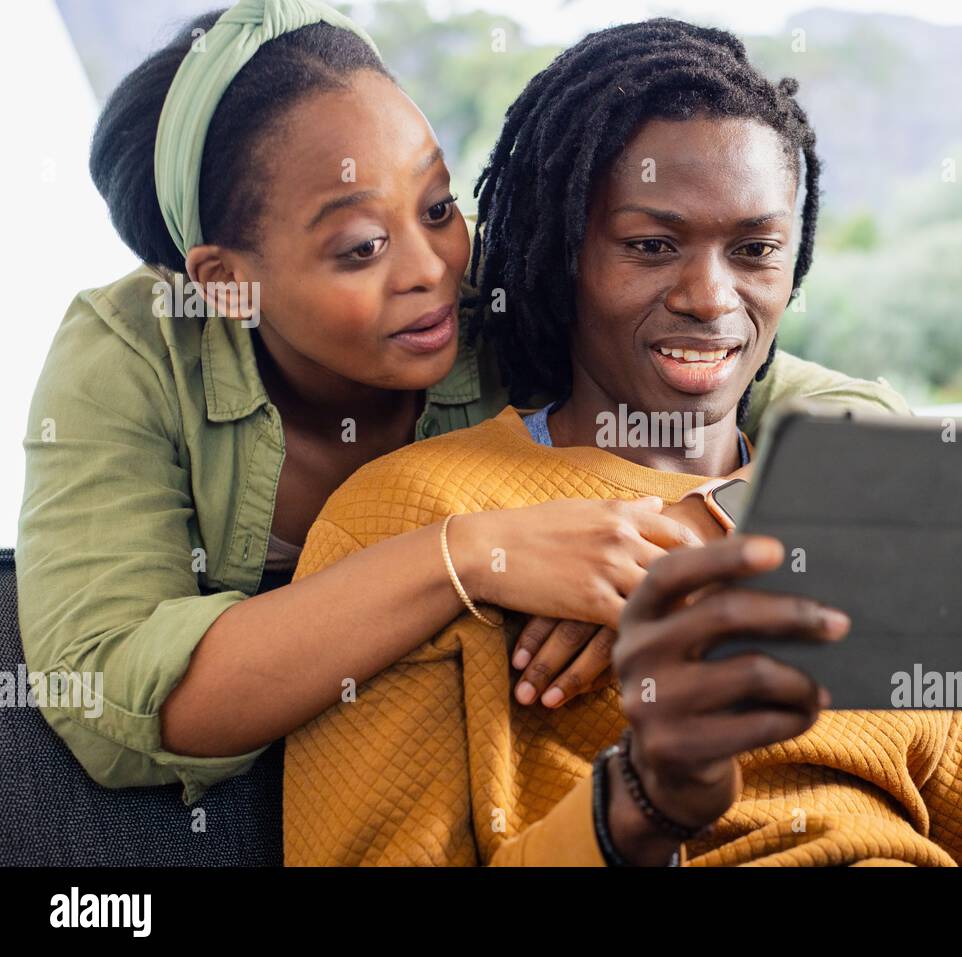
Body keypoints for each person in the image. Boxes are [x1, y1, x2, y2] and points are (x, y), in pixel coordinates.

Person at [282, 19, 962, 866]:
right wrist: (641, 798)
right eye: (652, 243)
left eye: (755, 248)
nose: (710, 297)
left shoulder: (883, 508)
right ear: (562, 255)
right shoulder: (413, 518)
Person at [14, 0, 905, 808]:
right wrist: (472, 555)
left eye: (437, 205)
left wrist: (671, 543)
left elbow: (834, 423)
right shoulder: (129, 352)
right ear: (226, 281)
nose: (433, 268)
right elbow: (108, 697)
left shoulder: (497, 292)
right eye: (361, 246)